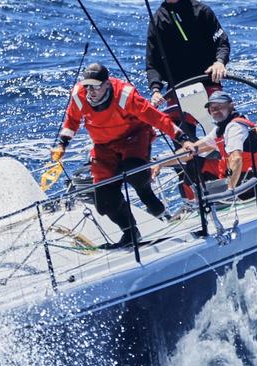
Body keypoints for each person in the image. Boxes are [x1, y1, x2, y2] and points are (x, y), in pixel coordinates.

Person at [51, 63, 196, 248]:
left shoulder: (125, 95)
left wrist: (183, 139)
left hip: (133, 138)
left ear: (106, 84)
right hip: (103, 146)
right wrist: (61, 145)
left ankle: (155, 206)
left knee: (134, 172)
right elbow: (71, 121)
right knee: (104, 201)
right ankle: (130, 233)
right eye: (87, 86)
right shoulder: (79, 96)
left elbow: (157, 118)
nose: (90, 91)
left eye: (95, 86)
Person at [146, 0, 230, 109]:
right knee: (174, 125)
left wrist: (220, 62)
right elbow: (152, 65)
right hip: (177, 90)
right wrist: (155, 91)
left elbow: (222, 43)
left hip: (209, 83)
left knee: (223, 119)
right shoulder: (157, 21)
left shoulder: (202, 11)